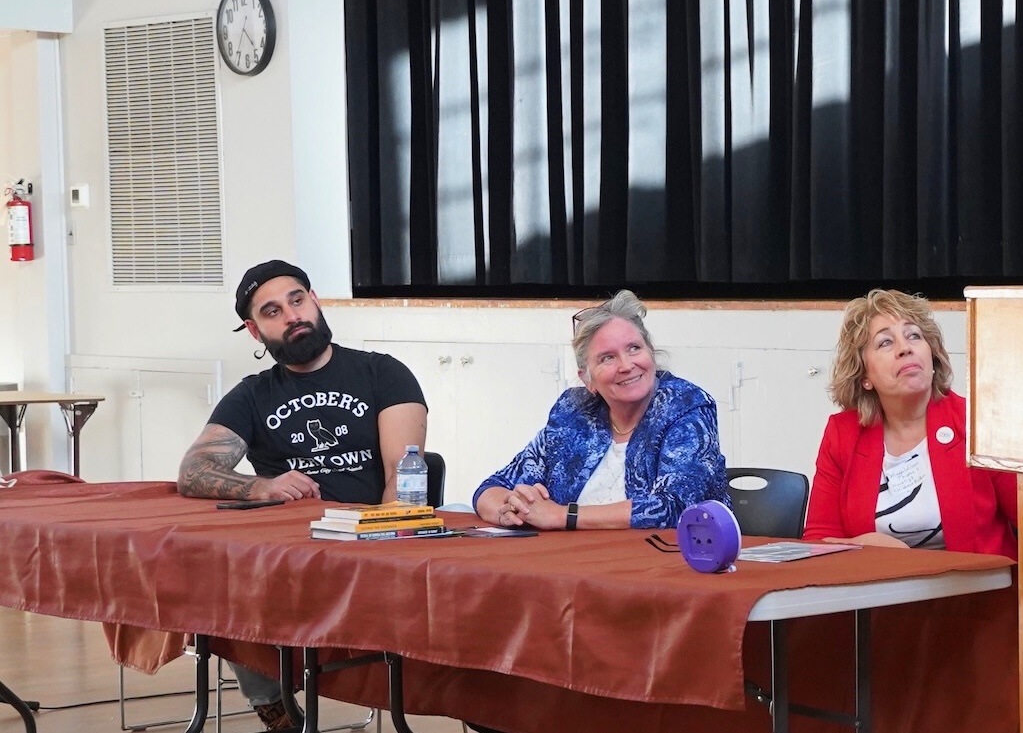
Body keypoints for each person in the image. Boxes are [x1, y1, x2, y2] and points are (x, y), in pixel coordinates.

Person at [177, 259, 430, 732]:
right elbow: (193, 470)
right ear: (255, 332)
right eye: (272, 311)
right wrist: (260, 486)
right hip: (283, 556)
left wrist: (384, 544)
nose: (292, 316)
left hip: (364, 546)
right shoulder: (252, 395)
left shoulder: (382, 373)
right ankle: (278, 715)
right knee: (221, 575)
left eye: (297, 300)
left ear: (314, 300)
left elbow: (404, 471)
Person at [474, 290, 728, 531]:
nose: (627, 365)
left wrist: (562, 516)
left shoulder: (686, 406)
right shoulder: (572, 414)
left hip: (668, 562)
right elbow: (492, 488)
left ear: (650, 353)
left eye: (634, 348)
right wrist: (509, 508)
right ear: (587, 379)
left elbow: (675, 507)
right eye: (607, 358)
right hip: (573, 561)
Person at [803, 289, 1018, 557]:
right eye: (885, 343)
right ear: (864, 375)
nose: (905, 348)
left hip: (974, 594)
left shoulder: (978, 422)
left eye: (913, 335)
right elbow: (819, 543)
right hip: (879, 593)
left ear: (933, 356)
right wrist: (871, 549)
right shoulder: (843, 434)